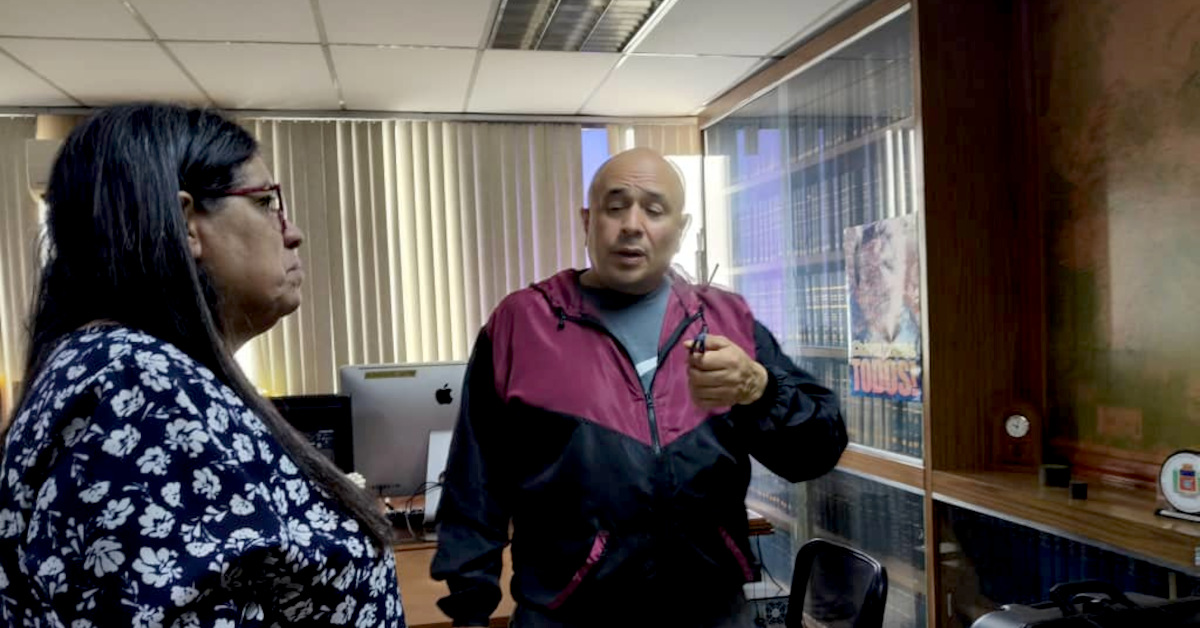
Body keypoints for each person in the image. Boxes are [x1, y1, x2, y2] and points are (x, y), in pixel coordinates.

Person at [0, 103, 404, 627]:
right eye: (265, 202)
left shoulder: (133, 373)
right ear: (187, 222)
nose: (293, 232)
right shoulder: (135, 387)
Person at [432, 147, 847, 627]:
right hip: (567, 618)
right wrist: (469, 612)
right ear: (587, 220)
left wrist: (762, 389)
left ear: (680, 229)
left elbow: (816, 452)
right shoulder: (523, 325)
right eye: (615, 207)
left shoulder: (727, 321)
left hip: (711, 615)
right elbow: (474, 485)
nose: (632, 225)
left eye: (653, 209)